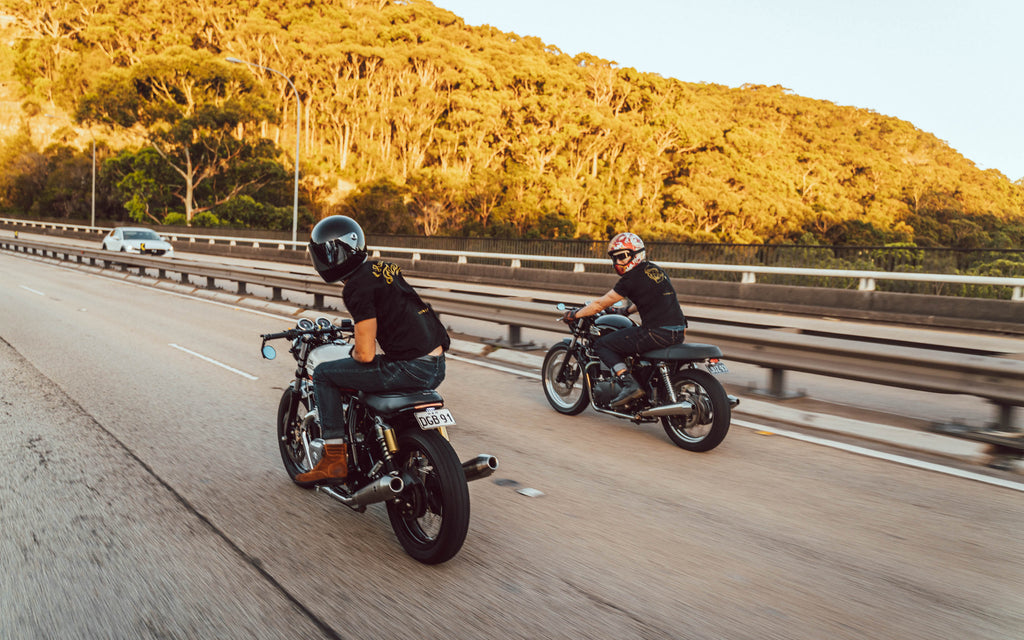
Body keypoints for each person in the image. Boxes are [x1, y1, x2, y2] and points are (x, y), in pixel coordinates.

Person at [297, 215, 450, 484]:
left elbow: (365, 354)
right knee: (367, 372)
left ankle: (334, 460)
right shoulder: (385, 268)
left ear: (327, 256)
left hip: (410, 368)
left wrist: (355, 353)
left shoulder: (355, 286)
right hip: (436, 364)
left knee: (324, 373)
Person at [562, 232, 687, 407]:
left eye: (622, 257)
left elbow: (599, 304)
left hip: (655, 333)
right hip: (678, 330)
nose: (617, 263)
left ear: (635, 254)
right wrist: (626, 311)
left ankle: (629, 384)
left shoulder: (630, 279)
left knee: (602, 344)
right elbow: (649, 297)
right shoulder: (654, 270)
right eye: (615, 258)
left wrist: (575, 314)